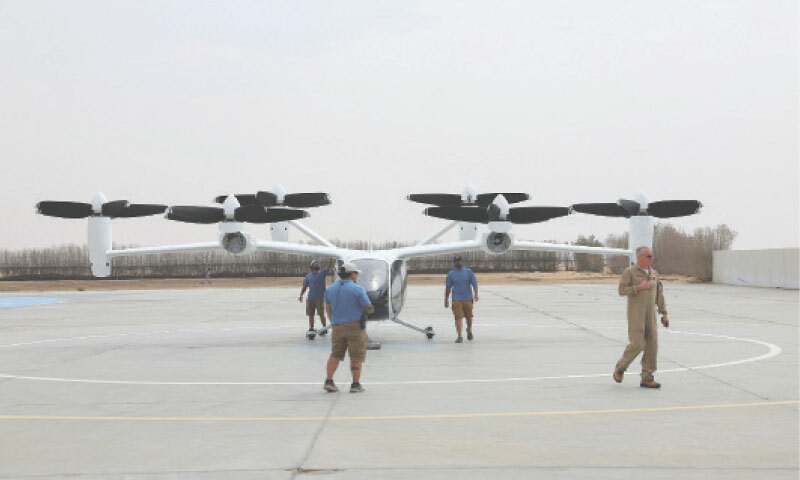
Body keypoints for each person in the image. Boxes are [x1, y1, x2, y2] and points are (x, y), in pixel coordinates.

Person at [613, 246, 670, 388]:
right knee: (637, 344)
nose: (651, 259)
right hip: (636, 315)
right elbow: (621, 291)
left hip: (650, 316)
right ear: (640, 257)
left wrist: (664, 313)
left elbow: (659, 295)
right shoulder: (630, 272)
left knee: (652, 345)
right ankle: (620, 367)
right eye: (648, 256)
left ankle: (647, 377)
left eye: (652, 256)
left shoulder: (654, 274)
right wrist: (638, 288)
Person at [323, 262, 374, 393]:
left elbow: (328, 309)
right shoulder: (358, 289)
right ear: (352, 274)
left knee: (335, 355)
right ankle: (355, 385)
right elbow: (368, 308)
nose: (356, 275)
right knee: (356, 357)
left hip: (337, 327)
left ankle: (329, 381)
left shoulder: (330, 289)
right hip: (355, 327)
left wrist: (334, 322)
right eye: (356, 273)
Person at [444, 254, 479, 343]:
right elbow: (448, 288)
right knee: (458, 317)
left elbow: (474, 284)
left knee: (469, 317)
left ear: (461, 261)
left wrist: (476, 294)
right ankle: (459, 335)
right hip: (456, 299)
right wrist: (446, 299)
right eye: (455, 261)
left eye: (459, 261)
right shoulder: (451, 274)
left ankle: (469, 330)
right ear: (454, 263)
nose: (457, 263)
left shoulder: (468, 272)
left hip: (467, 298)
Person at [299, 259, 332, 337]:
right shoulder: (308, 276)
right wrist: (301, 295)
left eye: (317, 265)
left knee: (321, 313)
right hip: (310, 298)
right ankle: (311, 328)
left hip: (320, 297)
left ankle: (324, 327)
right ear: (312, 266)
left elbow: (327, 268)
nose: (316, 266)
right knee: (311, 314)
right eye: (315, 265)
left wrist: (330, 261)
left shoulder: (322, 273)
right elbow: (305, 286)